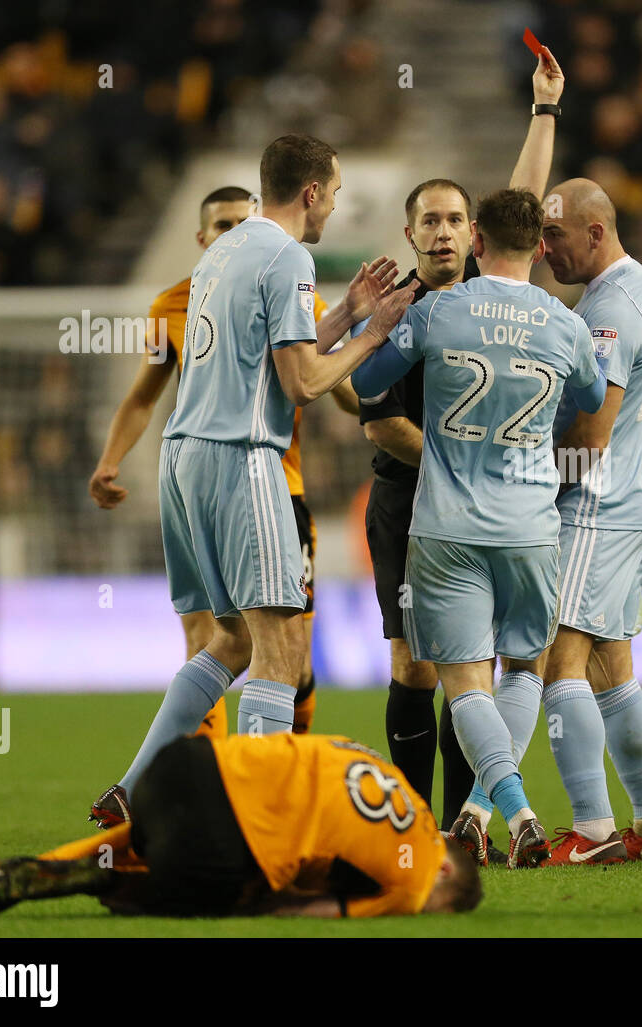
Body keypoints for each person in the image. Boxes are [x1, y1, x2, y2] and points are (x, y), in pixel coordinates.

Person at [89, 134, 415, 827]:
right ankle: (255, 820)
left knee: (229, 640)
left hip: (184, 457)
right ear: (310, 193)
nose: (333, 203)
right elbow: (300, 383)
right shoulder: (288, 254)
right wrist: (372, 335)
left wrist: (347, 311)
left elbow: (266, 353)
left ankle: (133, 784)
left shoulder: (219, 256)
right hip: (243, 456)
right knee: (278, 647)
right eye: (332, 190)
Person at [350, 187, 606, 868]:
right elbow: (590, 396)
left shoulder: (436, 309)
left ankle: (513, 812)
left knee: (462, 683)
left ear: (478, 244)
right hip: (530, 526)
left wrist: (368, 324)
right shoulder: (565, 323)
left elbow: (368, 379)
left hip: (447, 526)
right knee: (523, 670)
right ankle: (483, 812)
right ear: (541, 249)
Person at [364, 46, 564, 855]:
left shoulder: (496, 300)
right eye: (430, 221)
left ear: (472, 234)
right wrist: (460, 464)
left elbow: (522, 204)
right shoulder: (405, 309)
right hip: (413, 502)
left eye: (455, 219)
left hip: (473, 505)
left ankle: (463, 823)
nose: (444, 231)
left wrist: (543, 111)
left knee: (474, 674)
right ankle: (414, 826)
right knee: (421, 668)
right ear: (410, 235)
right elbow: (378, 420)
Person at [88, 186, 358, 740]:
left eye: (244, 221)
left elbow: (328, 374)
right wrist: (111, 459)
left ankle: (280, 759)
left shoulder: (283, 279)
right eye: (223, 225)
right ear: (202, 238)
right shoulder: (174, 304)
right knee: (214, 635)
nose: (235, 232)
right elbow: (145, 396)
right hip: (232, 470)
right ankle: (217, 776)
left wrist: (373, 398)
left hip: (276, 484)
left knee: (285, 652)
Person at [502, 175, 642, 866]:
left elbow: (591, 433)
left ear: (597, 232)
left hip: (595, 505)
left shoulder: (609, 308)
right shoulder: (639, 289)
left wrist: (531, 485)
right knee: (612, 669)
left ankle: (594, 828)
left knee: (557, 662)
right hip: (628, 503)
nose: (545, 250)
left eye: (555, 236)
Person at [0, 733, 481, 917]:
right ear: (442, 874)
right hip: (211, 845)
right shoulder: (417, 879)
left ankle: (38, 866)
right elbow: (308, 911)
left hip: (176, 769)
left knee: (146, 838)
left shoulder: (394, 782)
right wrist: (261, 901)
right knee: (229, 892)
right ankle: (105, 881)